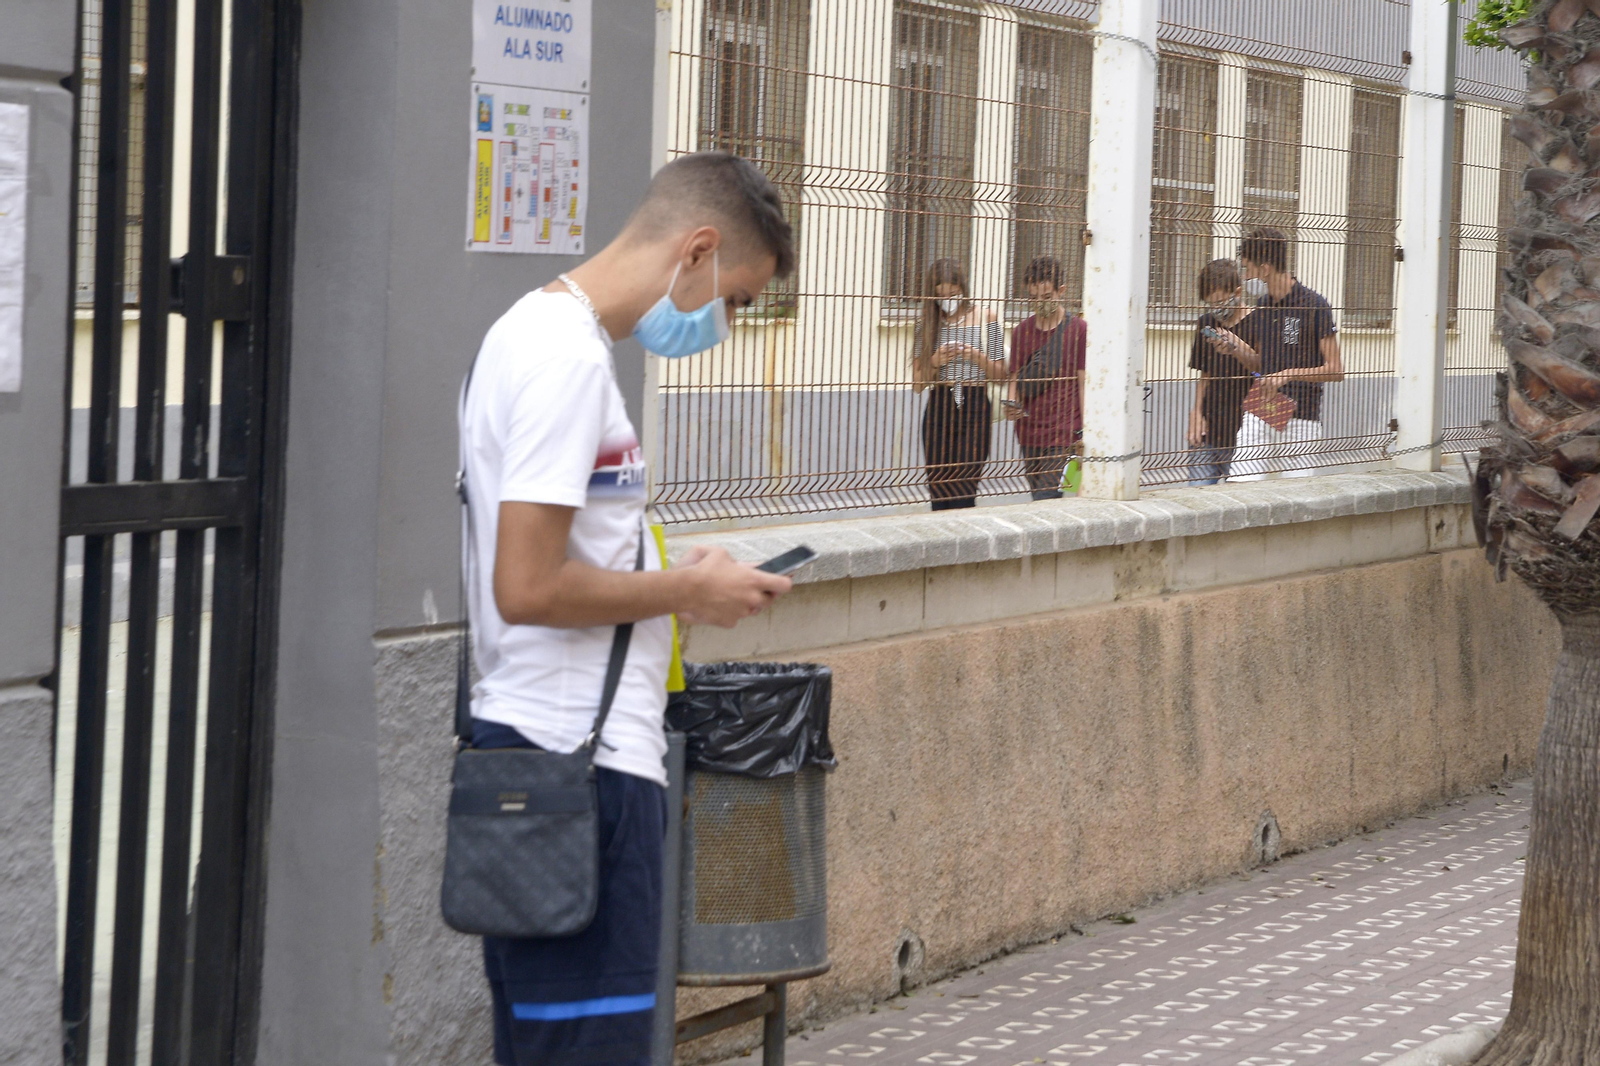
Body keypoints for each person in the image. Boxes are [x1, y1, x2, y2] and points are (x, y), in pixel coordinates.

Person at [458, 150, 795, 1066]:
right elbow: (525, 586)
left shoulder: (528, 335)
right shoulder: (565, 362)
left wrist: (666, 576)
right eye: (736, 298)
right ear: (696, 249)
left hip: (560, 757)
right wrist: (690, 591)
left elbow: (561, 558)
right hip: (580, 771)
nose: (725, 323)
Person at [1219, 227, 1344, 480]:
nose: (1245, 276)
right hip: (1262, 407)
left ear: (1264, 269)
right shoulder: (1263, 305)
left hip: (1302, 416)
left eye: (1247, 269)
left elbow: (1336, 370)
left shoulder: (1315, 304)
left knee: (1297, 498)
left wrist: (1287, 374)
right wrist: (1236, 349)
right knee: (1241, 484)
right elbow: (1261, 363)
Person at [911, 258, 1007, 510]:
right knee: (939, 491)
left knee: (965, 490)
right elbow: (918, 384)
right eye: (941, 296)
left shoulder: (988, 319)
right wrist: (935, 361)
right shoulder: (925, 325)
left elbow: (1000, 374)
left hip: (975, 406)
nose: (948, 301)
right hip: (939, 406)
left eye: (953, 294)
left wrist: (976, 356)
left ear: (963, 289)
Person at [1005, 255, 1087, 500]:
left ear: (1061, 291)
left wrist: (1086, 431)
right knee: (1041, 500)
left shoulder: (1079, 330)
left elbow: (1084, 383)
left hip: (1066, 434)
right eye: (1033, 298)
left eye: (1046, 297)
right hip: (1029, 432)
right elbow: (1014, 377)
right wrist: (1011, 403)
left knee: (1048, 498)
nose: (1039, 303)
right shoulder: (1021, 331)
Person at [1185, 259, 1253, 485]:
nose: (1216, 309)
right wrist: (1196, 413)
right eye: (1210, 304)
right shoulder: (1207, 323)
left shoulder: (1259, 321)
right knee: (1197, 499)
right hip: (1209, 431)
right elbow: (1205, 375)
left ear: (1238, 292)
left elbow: (1265, 369)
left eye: (1221, 301)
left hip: (1247, 433)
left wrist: (1238, 348)